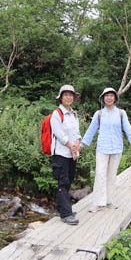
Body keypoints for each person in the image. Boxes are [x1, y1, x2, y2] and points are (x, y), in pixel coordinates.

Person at [80, 87, 131, 212]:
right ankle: (98, 203)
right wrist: (81, 145)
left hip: (117, 149)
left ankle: (109, 201)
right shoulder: (98, 114)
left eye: (111, 95)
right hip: (102, 149)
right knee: (100, 174)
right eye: (106, 96)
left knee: (111, 175)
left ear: (115, 98)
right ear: (103, 98)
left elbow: (128, 129)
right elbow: (91, 131)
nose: (109, 98)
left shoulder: (121, 113)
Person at [50, 84, 82, 225]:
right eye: (66, 95)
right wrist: (71, 147)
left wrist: (76, 145)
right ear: (61, 97)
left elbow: (77, 133)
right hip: (61, 154)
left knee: (69, 180)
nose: (68, 97)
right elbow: (60, 135)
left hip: (72, 154)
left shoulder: (74, 114)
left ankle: (59, 208)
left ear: (74, 98)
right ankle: (66, 214)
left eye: (71, 95)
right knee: (63, 182)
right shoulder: (57, 114)